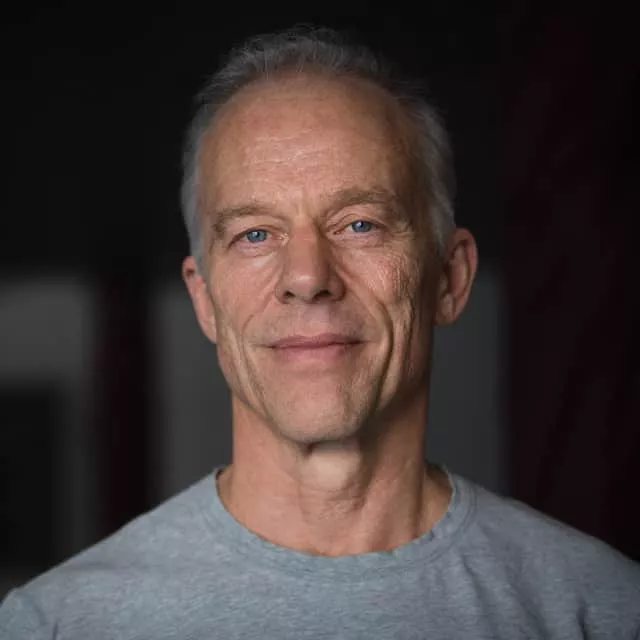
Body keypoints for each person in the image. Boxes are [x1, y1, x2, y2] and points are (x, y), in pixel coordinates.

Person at [2, 26, 639, 640]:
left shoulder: (603, 610)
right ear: (204, 300)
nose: (307, 278)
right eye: (255, 234)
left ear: (449, 278)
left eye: (360, 224)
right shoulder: (56, 625)